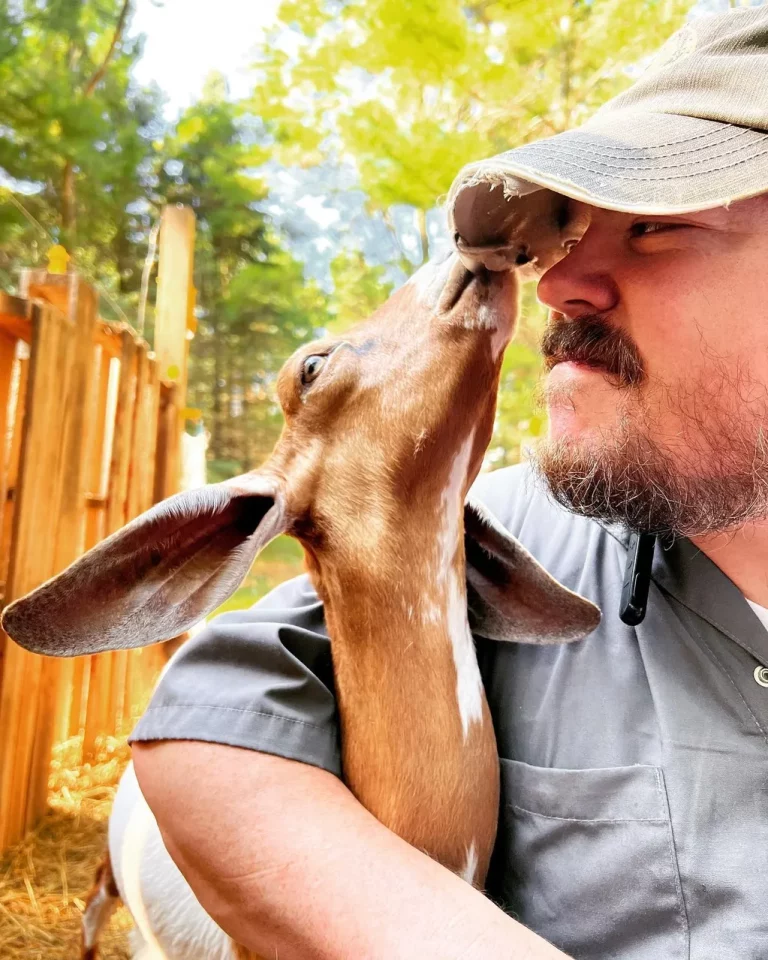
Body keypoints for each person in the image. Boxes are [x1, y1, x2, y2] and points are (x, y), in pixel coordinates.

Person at [130, 7, 768, 959]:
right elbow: (206, 727)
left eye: (653, 226)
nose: (555, 284)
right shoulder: (501, 530)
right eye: (571, 234)